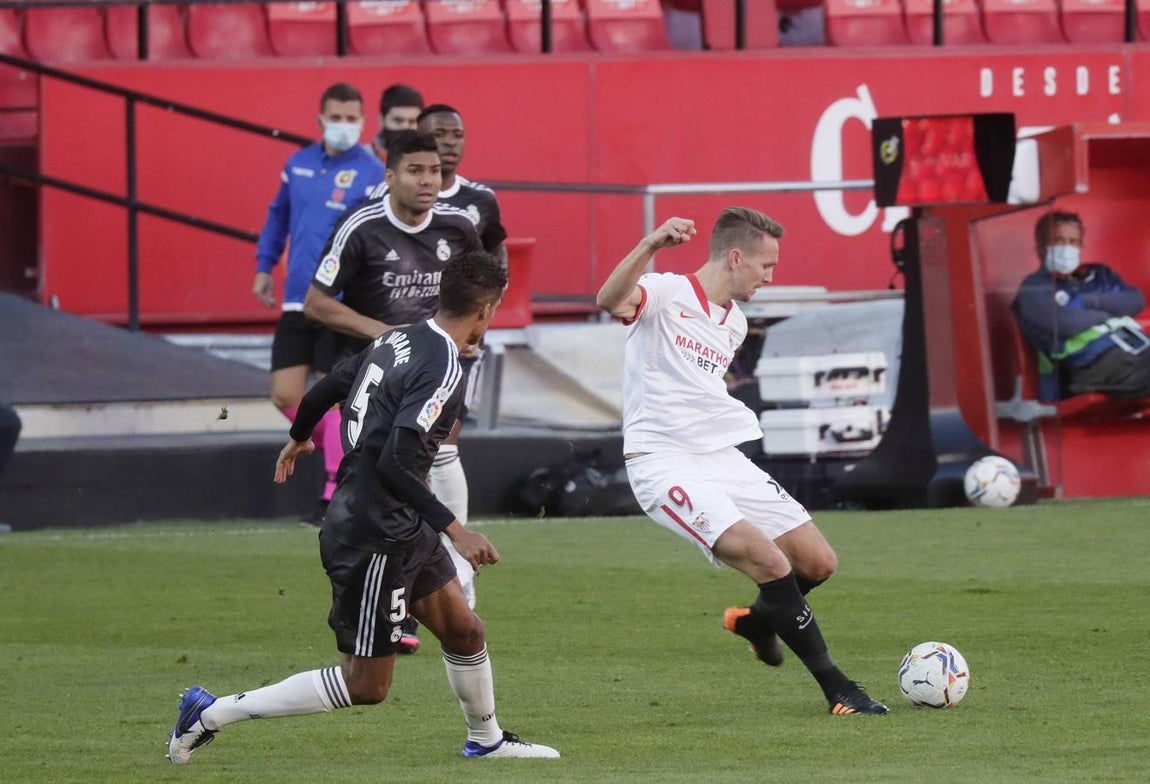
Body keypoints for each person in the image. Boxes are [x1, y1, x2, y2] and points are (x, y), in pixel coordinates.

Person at [166, 251, 559, 765]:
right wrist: (456, 530)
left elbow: (328, 385)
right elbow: (397, 462)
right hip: (373, 533)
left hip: (398, 522)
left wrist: (299, 435)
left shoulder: (399, 337)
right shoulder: (444, 368)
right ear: (486, 310)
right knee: (366, 684)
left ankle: (486, 741)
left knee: (465, 631)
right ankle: (211, 711)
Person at [595, 207, 889, 716]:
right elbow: (608, 300)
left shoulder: (734, 323)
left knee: (818, 563)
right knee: (771, 563)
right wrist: (650, 245)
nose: (771, 277)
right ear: (735, 257)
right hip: (663, 462)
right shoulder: (665, 292)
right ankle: (839, 690)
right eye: (765, 265)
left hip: (721, 459)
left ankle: (756, 622)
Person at [305, 130, 482, 652]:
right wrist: (391, 337)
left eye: (434, 171)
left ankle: (432, 595)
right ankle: (400, 596)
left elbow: (478, 287)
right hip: (379, 375)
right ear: (390, 175)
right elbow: (317, 303)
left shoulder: (457, 226)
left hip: (440, 371)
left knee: (435, 456)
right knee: (397, 473)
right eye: (415, 171)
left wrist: (473, 332)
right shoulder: (361, 227)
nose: (428, 181)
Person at [253, 82, 385, 525]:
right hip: (296, 298)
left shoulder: (372, 172)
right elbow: (278, 217)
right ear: (320, 119)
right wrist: (263, 265)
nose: (344, 126)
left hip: (338, 301)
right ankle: (337, 445)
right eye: (337, 117)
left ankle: (333, 491)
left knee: (333, 395)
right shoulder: (299, 163)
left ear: (364, 122)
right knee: (284, 393)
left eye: (352, 118)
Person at [1013, 210, 1150, 401]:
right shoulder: (1035, 288)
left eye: (1073, 241)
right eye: (1059, 241)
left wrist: (1088, 302)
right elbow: (1063, 323)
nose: (1067, 247)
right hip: (1092, 367)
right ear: (1041, 246)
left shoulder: (1099, 274)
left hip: (1137, 351)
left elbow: (1136, 300)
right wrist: (1109, 313)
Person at [372, 104, 508, 267]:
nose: (450, 142)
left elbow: (496, 249)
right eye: (439, 134)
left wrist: (496, 286)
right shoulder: (388, 192)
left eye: (458, 135)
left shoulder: (482, 198)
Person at [371, 83, 424, 162]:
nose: (405, 127)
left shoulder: (433, 163)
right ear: (381, 120)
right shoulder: (362, 159)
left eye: (412, 121)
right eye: (398, 120)